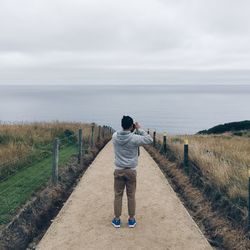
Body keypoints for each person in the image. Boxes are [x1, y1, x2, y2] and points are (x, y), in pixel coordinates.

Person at [111, 115, 153, 228]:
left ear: (121, 125)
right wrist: (139, 129)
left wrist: (132, 130)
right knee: (131, 196)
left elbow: (121, 135)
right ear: (132, 126)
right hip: (131, 171)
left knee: (118, 195)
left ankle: (117, 220)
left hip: (118, 169)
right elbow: (149, 139)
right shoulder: (135, 138)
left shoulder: (114, 136)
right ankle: (131, 219)